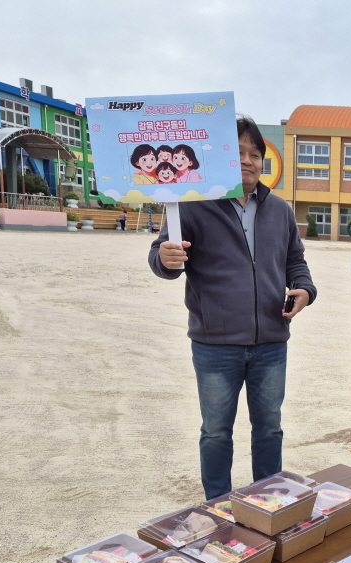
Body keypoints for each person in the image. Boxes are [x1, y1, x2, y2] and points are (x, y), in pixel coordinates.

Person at [149, 115, 316, 500]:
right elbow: (163, 258)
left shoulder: (280, 210)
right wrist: (166, 259)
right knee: (216, 431)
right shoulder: (192, 206)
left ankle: (268, 501)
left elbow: (295, 260)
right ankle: (217, 506)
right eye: (238, 152)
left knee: (270, 429)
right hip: (215, 345)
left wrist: (306, 289)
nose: (247, 160)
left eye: (255, 154)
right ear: (221, 157)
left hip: (271, 342)